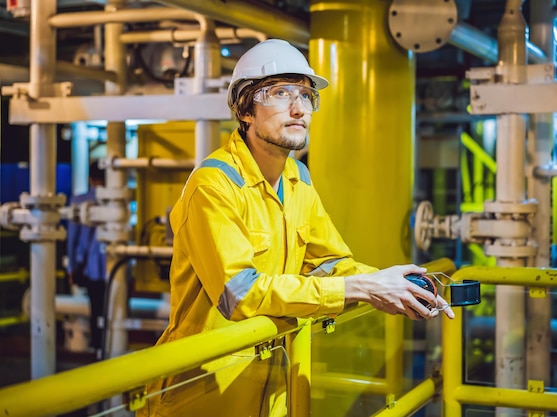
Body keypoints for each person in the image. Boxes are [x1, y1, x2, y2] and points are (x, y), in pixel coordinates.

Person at [140, 39, 454, 417]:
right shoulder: (214, 184)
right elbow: (240, 294)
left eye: (305, 96)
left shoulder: (296, 177)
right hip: (205, 392)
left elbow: (331, 263)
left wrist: (389, 284)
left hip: (271, 389)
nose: (298, 108)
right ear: (245, 110)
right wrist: (361, 288)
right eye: (280, 93)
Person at [66, 160, 107, 355]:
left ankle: (99, 349)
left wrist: (71, 268)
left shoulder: (78, 201)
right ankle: (109, 350)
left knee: (96, 309)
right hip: (113, 265)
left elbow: (72, 240)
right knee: (112, 311)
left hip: (90, 267)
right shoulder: (115, 200)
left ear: (90, 178)